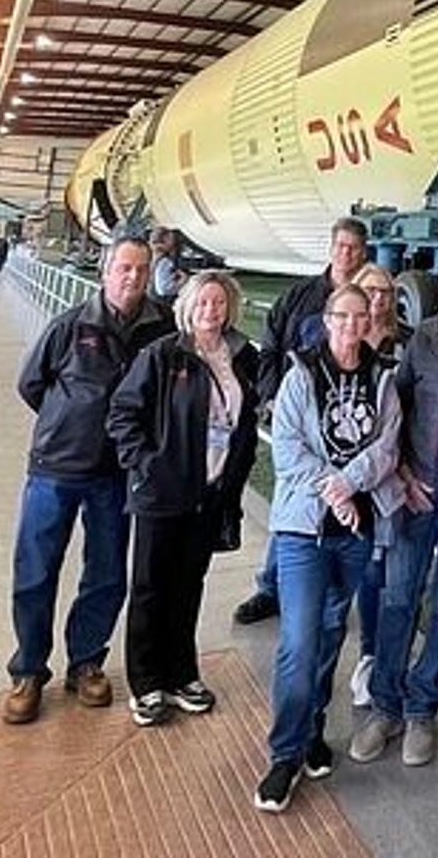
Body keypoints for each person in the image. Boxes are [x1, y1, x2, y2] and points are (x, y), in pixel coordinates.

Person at [3, 234, 172, 725]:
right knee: (36, 571)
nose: (133, 278)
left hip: (116, 475)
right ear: (106, 271)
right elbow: (30, 383)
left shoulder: (159, 328)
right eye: (125, 268)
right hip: (56, 468)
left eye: (142, 270)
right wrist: (69, 424)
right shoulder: (70, 326)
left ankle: (86, 662)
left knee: (106, 573)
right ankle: (29, 669)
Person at [255, 284, 404, 814]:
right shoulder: (301, 376)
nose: (351, 325)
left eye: (360, 316)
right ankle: (284, 753)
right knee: (298, 637)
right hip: (304, 532)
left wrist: (349, 484)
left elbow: (388, 445)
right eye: (342, 315)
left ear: (368, 321)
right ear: (327, 319)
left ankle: (313, 729)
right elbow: (289, 450)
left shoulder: (382, 377)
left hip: (356, 532)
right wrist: (331, 487)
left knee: (328, 634)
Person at [353, 250, 438, 769]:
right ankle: (385, 705)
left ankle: (421, 707)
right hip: (415, 488)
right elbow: (399, 408)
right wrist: (405, 473)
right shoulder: (425, 338)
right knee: (397, 597)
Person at [108, 270, 261, 726]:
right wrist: (149, 466)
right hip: (162, 495)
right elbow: (122, 414)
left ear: (229, 307)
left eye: (218, 303)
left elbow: (246, 420)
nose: (211, 312)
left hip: (208, 495)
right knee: (150, 588)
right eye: (203, 303)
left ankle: (181, 674)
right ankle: (145, 682)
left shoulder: (242, 356)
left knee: (188, 586)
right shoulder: (163, 355)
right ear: (187, 307)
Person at [235, 217, 372, 627]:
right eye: (341, 246)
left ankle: (331, 594)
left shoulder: (369, 299)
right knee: (292, 503)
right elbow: (271, 348)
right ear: (331, 248)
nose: (346, 253)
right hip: (301, 426)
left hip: (350, 431)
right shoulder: (298, 298)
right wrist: (273, 399)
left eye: (354, 248)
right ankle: (270, 588)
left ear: (363, 252)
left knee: (347, 508)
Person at [346, 261, 411, 708]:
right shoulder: (341, 346)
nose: (379, 299)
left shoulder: (409, 342)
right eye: (370, 291)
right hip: (351, 482)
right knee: (367, 572)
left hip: (393, 477)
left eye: (386, 291)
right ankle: (369, 653)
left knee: (393, 575)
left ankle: (390, 662)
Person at [148, 227, 187, 306]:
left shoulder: (151, 255)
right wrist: (183, 280)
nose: (174, 242)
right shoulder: (163, 261)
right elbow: (163, 289)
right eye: (171, 239)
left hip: (158, 299)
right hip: (167, 300)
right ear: (163, 242)